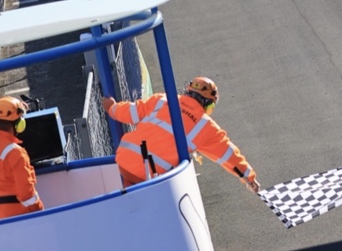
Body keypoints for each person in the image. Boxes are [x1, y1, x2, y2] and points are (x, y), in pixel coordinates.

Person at [103, 76, 261, 193]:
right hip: (153, 174)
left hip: (124, 160)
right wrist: (249, 177)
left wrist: (112, 107)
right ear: (209, 105)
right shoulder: (205, 125)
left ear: (188, 91)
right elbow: (228, 154)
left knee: (129, 190)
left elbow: (130, 111)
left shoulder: (162, 99)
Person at [0, 97, 44, 219]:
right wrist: (41, 212)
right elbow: (27, 196)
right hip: (22, 214)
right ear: (20, 125)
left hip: (0, 213)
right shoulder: (16, 154)